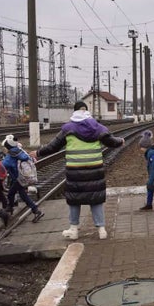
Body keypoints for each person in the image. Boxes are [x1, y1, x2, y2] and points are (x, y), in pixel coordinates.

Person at [33, 101, 124, 240]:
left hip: (75, 171)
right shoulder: (97, 127)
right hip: (95, 170)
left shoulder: (68, 128)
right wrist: (121, 141)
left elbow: (53, 147)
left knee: (74, 199)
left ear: (74, 112)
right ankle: (101, 230)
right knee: (96, 199)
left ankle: (74, 230)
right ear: (86, 111)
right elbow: (112, 141)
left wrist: (38, 153)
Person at [2, 134, 44, 222]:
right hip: (22, 177)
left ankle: (35, 210)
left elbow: (5, 164)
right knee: (20, 194)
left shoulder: (11, 154)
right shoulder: (19, 151)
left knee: (13, 194)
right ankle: (35, 210)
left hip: (18, 178)